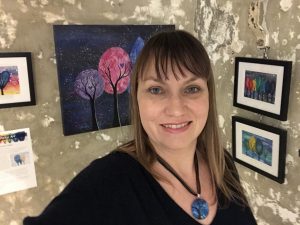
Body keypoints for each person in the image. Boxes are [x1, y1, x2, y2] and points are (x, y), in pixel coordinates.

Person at [23, 30, 257, 225]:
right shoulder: (107, 182)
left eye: (191, 88)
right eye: (156, 90)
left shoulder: (222, 164)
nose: (176, 109)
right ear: (137, 99)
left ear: (208, 95)